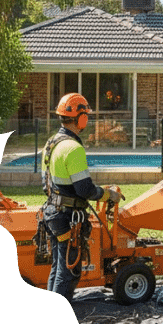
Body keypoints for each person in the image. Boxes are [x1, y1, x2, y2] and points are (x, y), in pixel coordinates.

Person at [41, 93, 124, 301]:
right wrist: (109, 195)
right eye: (86, 115)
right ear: (81, 118)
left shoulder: (51, 143)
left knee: (58, 267)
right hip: (67, 218)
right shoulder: (73, 148)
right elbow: (85, 190)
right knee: (68, 272)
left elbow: (47, 183)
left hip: (52, 212)